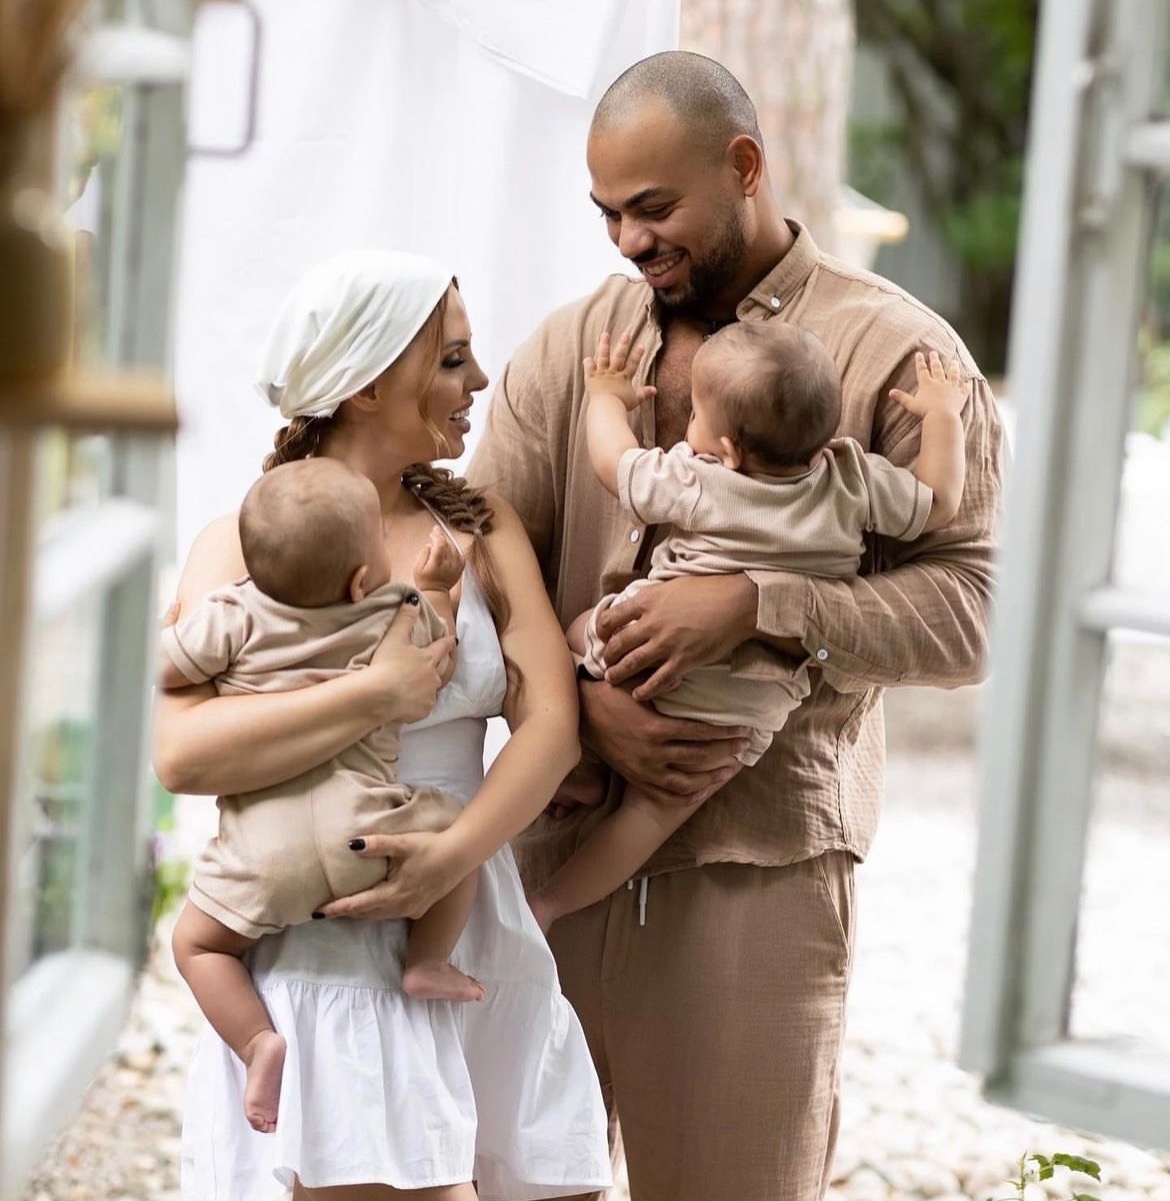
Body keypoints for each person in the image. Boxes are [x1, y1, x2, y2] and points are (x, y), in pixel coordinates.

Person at [468, 50, 1003, 1201]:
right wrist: (567, 704)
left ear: (745, 167)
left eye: (653, 208)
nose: (625, 239)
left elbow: (975, 615)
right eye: (607, 212)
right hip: (547, 854)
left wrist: (763, 604)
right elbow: (475, 562)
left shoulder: (901, 358)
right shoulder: (574, 350)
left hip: (761, 873)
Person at [153, 249, 612, 1201]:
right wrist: (376, 694)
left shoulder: (481, 527)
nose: (477, 382)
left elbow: (551, 727)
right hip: (332, 935)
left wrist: (452, 860)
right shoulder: (242, 542)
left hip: (465, 906)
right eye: (451, 360)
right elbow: (183, 754)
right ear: (364, 386)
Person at [527, 324, 970, 934]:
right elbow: (939, 500)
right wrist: (944, 416)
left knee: (579, 632)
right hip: (747, 711)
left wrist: (605, 396)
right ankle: (548, 906)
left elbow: (613, 462)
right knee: (654, 812)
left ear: (728, 449)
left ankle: (575, 765)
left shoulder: (703, 479)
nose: (690, 428)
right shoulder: (851, 481)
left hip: (642, 651)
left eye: (696, 416)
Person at [162, 456, 487, 1137]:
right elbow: (439, 655)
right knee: (460, 837)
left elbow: (168, 667)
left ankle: (258, 1042)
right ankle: (426, 960)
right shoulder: (387, 612)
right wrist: (432, 584)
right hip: (367, 834)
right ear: (362, 576)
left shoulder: (233, 612)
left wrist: (168, 634)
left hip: (261, 853)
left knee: (196, 944)